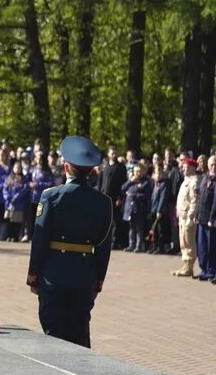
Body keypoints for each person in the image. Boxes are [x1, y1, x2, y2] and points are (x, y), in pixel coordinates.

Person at [27, 136, 113, 348]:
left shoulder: (51, 196)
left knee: (53, 335)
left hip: (53, 274)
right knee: (80, 335)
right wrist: (98, 279)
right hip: (85, 275)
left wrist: (33, 275)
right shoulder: (103, 202)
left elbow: (40, 240)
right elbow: (104, 246)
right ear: (91, 170)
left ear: (66, 167)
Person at [172, 158, 200, 277]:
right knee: (183, 241)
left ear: (193, 167)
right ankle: (185, 265)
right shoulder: (186, 180)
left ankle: (189, 267)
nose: (184, 168)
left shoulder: (194, 181)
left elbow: (194, 201)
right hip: (182, 215)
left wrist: (191, 216)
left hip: (188, 216)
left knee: (189, 241)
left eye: (186, 166)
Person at [97, 145, 128, 249]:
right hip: (104, 196)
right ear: (108, 154)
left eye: (115, 152)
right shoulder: (104, 166)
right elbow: (100, 182)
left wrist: (120, 197)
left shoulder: (121, 167)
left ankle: (114, 242)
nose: (114, 154)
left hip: (115, 198)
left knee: (114, 221)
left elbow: (123, 184)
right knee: (104, 220)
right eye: (112, 152)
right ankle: (102, 240)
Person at [193, 155, 216, 282]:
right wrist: (196, 214)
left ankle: (211, 270)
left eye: (215, 164)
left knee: (211, 245)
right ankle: (204, 269)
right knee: (201, 245)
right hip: (201, 217)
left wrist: (212, 218)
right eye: (211, 164)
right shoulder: (205, 177)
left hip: (211, 219)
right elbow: (200, 198)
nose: (213, 166)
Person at [121, 164, 152, 253]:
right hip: (129, 209)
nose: (137, 173)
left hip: (139, 208)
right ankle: (131, 244)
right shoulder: (131, 180)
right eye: (136, 171)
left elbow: (147, 195)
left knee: (139, 228)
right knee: (131, 228)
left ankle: (139, 246)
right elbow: (123, 188)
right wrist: (130, 181)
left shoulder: (145, 182)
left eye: (139, 171)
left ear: (143, 172)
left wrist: (136, 196)